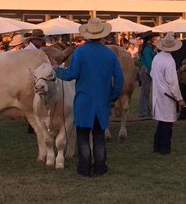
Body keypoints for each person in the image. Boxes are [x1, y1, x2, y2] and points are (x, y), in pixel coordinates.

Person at [54, 18, 124, 177]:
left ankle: (84, 168)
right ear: (102, 35)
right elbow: (119, 79)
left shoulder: (80, 52)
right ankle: (100, 167)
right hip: (102, 101)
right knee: (99, 135)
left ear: (87, 35)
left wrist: (56, 70)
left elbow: (72, 74)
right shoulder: (109, 53)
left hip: (84, 102)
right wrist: (112, 95)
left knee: (83, 136)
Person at [149, 34, 184, 155]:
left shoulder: (157, 57)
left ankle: (157, 146)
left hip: (158, 92)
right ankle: (164, 148)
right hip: (167, 95)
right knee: (167, 123)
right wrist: (179, 98)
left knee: (161, 121)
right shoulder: (169, 61)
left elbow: (152, 74)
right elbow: (173, 83)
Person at [136, 32, 157, 119]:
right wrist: (152, 73)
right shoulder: (148, 49)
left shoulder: (145, 48)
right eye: (154, 39)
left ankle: (145, 110)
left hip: (144, 70)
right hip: (147, 71)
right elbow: (149, 62)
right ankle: (143, 111)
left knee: (145, 92)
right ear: (150, 40)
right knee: (145, 92)